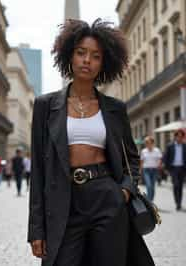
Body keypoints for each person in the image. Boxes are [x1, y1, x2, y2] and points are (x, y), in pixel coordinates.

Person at [28, 19, 155, 266]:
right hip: (64, 200)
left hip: (106, 197)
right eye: (81, 53)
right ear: (69, 56)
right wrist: (36, 230)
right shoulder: (45, 106)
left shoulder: (115, 109)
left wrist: (125, 191)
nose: (87, 60)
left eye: (95, 56)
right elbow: (39, 172)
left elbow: (131, 157)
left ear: (103, 63)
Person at [164, 129, 186, 210]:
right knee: (176, 185)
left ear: (183, 137)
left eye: (181, 136)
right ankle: (177, 202)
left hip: (182, 168)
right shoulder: (170, 146)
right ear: (175, 137)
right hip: (173, 168)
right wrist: (166, 168)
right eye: (178, 136)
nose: (179, 138)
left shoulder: (185, 146)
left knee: (180, 186)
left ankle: (179, 203)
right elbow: (166, 157)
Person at [140, 136, 162, 201]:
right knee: (149, 186)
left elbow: (160, 159)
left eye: (149, 142)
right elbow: (141, 162)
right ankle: (149, 201)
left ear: (152, 143)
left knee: (152, 187)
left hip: (154, 170)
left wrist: (159, 164)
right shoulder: (143, 151)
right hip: (146, 170)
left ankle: (151, 200)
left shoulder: (157, 150)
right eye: (146, 143)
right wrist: (140, 171)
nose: (147, 144)